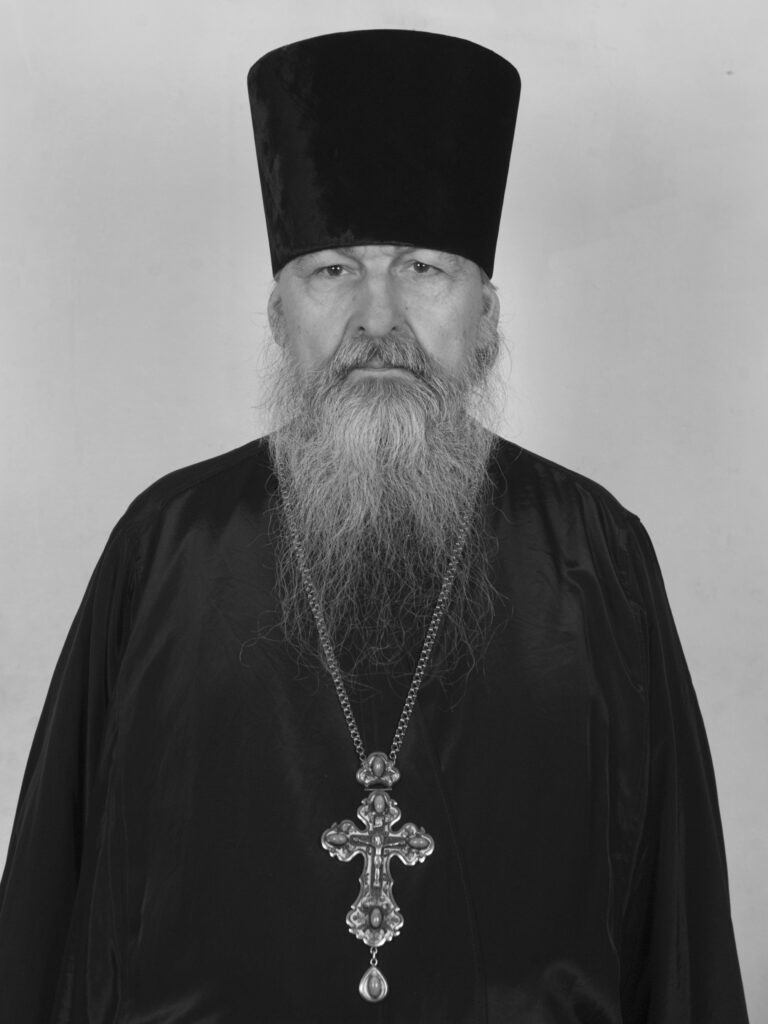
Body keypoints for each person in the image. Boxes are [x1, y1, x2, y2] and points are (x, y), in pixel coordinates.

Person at [0, 29, 750, 1024]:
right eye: (332, 272)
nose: (379, 318)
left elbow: (676, 928)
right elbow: (56, 913)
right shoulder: (168, 546)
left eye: (425, 268)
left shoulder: (593, 554)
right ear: (279, 317)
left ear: (487, 317)